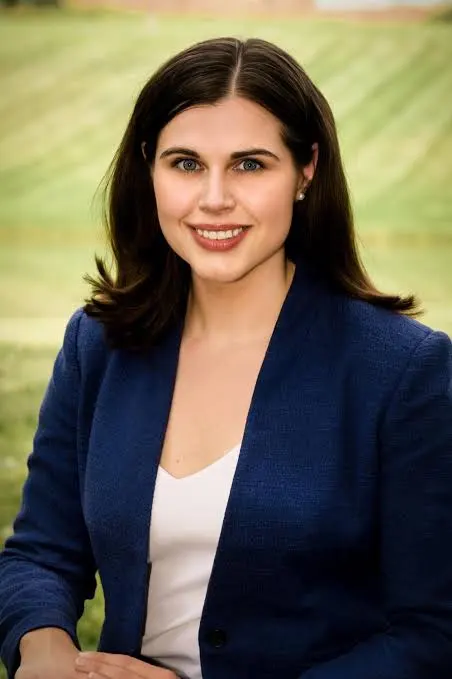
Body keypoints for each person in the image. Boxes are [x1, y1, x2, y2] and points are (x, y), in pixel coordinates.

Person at [1, 35, 452, 679]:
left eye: (250, 165)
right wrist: (45, 650)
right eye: (186, 164)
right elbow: (40, 553)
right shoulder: (98, 344)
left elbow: (431, 634)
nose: (214, 198)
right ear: (148, 169)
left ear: (306, 170)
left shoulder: (403, 370)